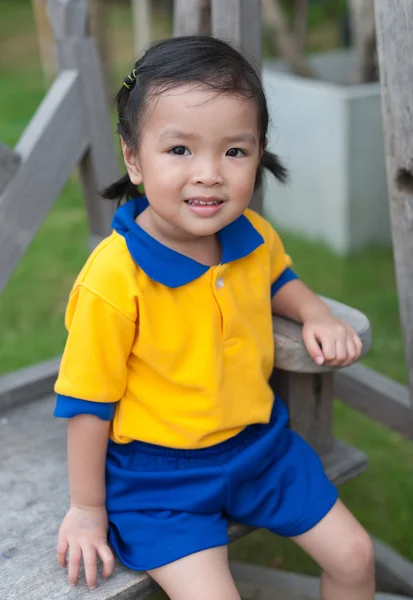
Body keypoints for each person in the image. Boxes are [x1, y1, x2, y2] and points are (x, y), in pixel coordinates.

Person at [54, 35, 375, 600]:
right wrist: (86, 508)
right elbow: (87, 402)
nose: (209, 174)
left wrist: (316, 312)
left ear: (259, 151)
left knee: (354, 556)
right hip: (160, 480)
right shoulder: (115, 278)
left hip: (261, 450)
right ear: (133, 157)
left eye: (234, 151)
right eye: (179, 150)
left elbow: (278, 280)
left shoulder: (251, 237)